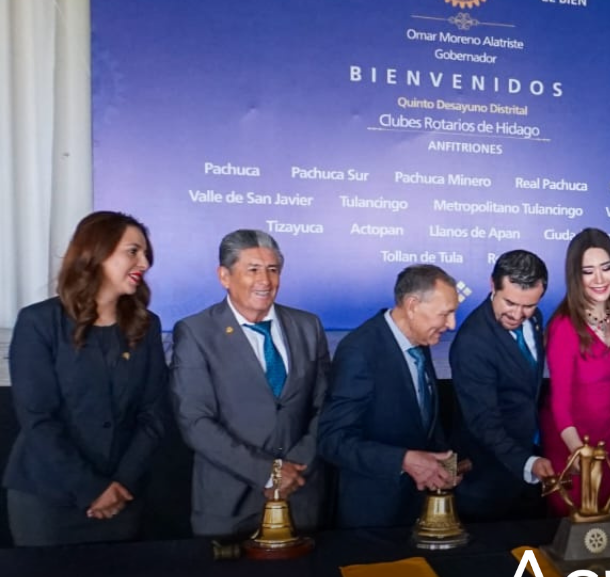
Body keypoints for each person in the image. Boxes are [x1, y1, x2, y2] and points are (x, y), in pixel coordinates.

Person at [5, 211, 169, 546]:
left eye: (146, 253)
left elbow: (153, 416)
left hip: (123, 496)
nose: (145, 263)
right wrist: (92, 489)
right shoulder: (39, 322)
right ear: (96, 253)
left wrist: (120, 485)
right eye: (133, 251)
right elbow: (38, 419)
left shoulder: (146, 326)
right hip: (48, 500)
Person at [169, 229, 330, 540]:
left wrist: (294, 468)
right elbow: (195, 421)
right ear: (224, 276)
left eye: (273, 270)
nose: (265, 281)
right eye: (253, 270)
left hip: (301, 494)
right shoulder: (196, 332)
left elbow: (325, 405)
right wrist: (267, 474)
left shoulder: (308, 326)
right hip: (231, 501)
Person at [318, 265, 460, 527]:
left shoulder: (421, 339)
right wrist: (403, 460)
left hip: (416, 510)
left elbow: (423, 418)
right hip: (373, 518)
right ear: (413, 305)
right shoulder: (360, 351)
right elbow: (332, 440)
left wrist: (444, 463)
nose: (451, 324)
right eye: (446, 314)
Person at [540, 228, 610, 517]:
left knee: (605, 516)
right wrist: (576, 453)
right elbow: (559, 400)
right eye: (588, 271)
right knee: (576, 521)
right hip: (571, 442)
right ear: (575, 277)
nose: (599, 279)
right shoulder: (564, 327)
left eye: (606, 268)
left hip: (608, 437)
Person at [449, 250, 551, 521]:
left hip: (526, 467)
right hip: (487, 477)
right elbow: (484, 424)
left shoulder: (536, 319)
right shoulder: (473, 342)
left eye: (528, 305)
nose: (518, 314)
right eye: (510, 302)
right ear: (492, 285)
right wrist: (528, 463)